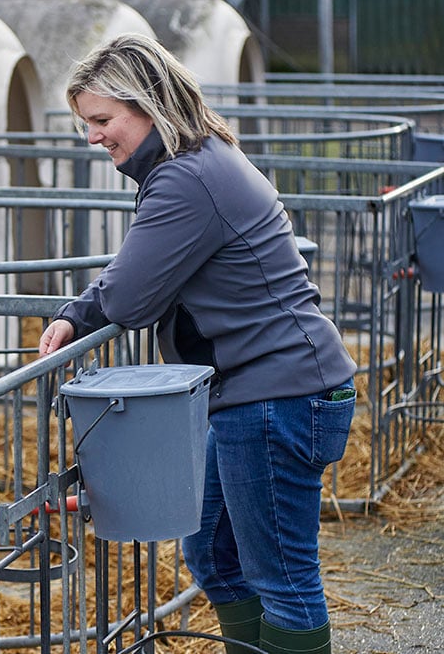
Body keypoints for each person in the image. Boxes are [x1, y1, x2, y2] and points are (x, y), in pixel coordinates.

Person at [38, 34, 357, 654]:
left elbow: (131, 297)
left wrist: (91, 306)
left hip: (276, 395)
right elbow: (139, 271)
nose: (93, 137)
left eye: (102, 120)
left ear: (149, 104)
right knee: (211, 550)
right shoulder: (192, 162)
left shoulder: (185, 178)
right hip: (258, 392)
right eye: (85, 123)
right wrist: (81, 310)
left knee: (284, 580)